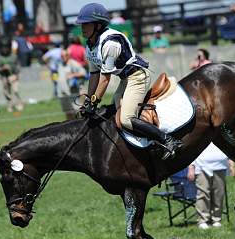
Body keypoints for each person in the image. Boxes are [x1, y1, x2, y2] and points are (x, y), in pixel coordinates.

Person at [75, 3, 181, 160]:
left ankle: (168, 140)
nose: (82, 27)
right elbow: (94, 75)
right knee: (114, 111)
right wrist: (88, 101)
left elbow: (105, 79)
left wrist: (95, 101)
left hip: (138, 77)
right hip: (126, 78)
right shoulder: (90, 45)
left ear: (97, 25)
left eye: (86, 24)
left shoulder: (110, 43)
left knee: (126, 119)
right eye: (81, 24)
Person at [187, 143, 235, 229]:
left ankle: (216, 219)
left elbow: (228, 145)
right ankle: (203, 220)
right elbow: (192, 146)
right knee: (203, 194)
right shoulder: (200, 130)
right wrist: (191, 166)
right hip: (201, 166)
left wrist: (232, 164)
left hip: (220, 165)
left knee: (219, 194)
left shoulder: (221, 130)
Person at [0, 40, 23, 112]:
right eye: (3, 48)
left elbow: (18, 66)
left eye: (6, 47)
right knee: (7, 92)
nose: (5, 49)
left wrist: (16, 75)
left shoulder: (13, 56)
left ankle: (19, 104)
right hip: (4, 77)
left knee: (15, 90)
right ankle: (10, 105)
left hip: (13, 75)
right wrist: (3, 68)